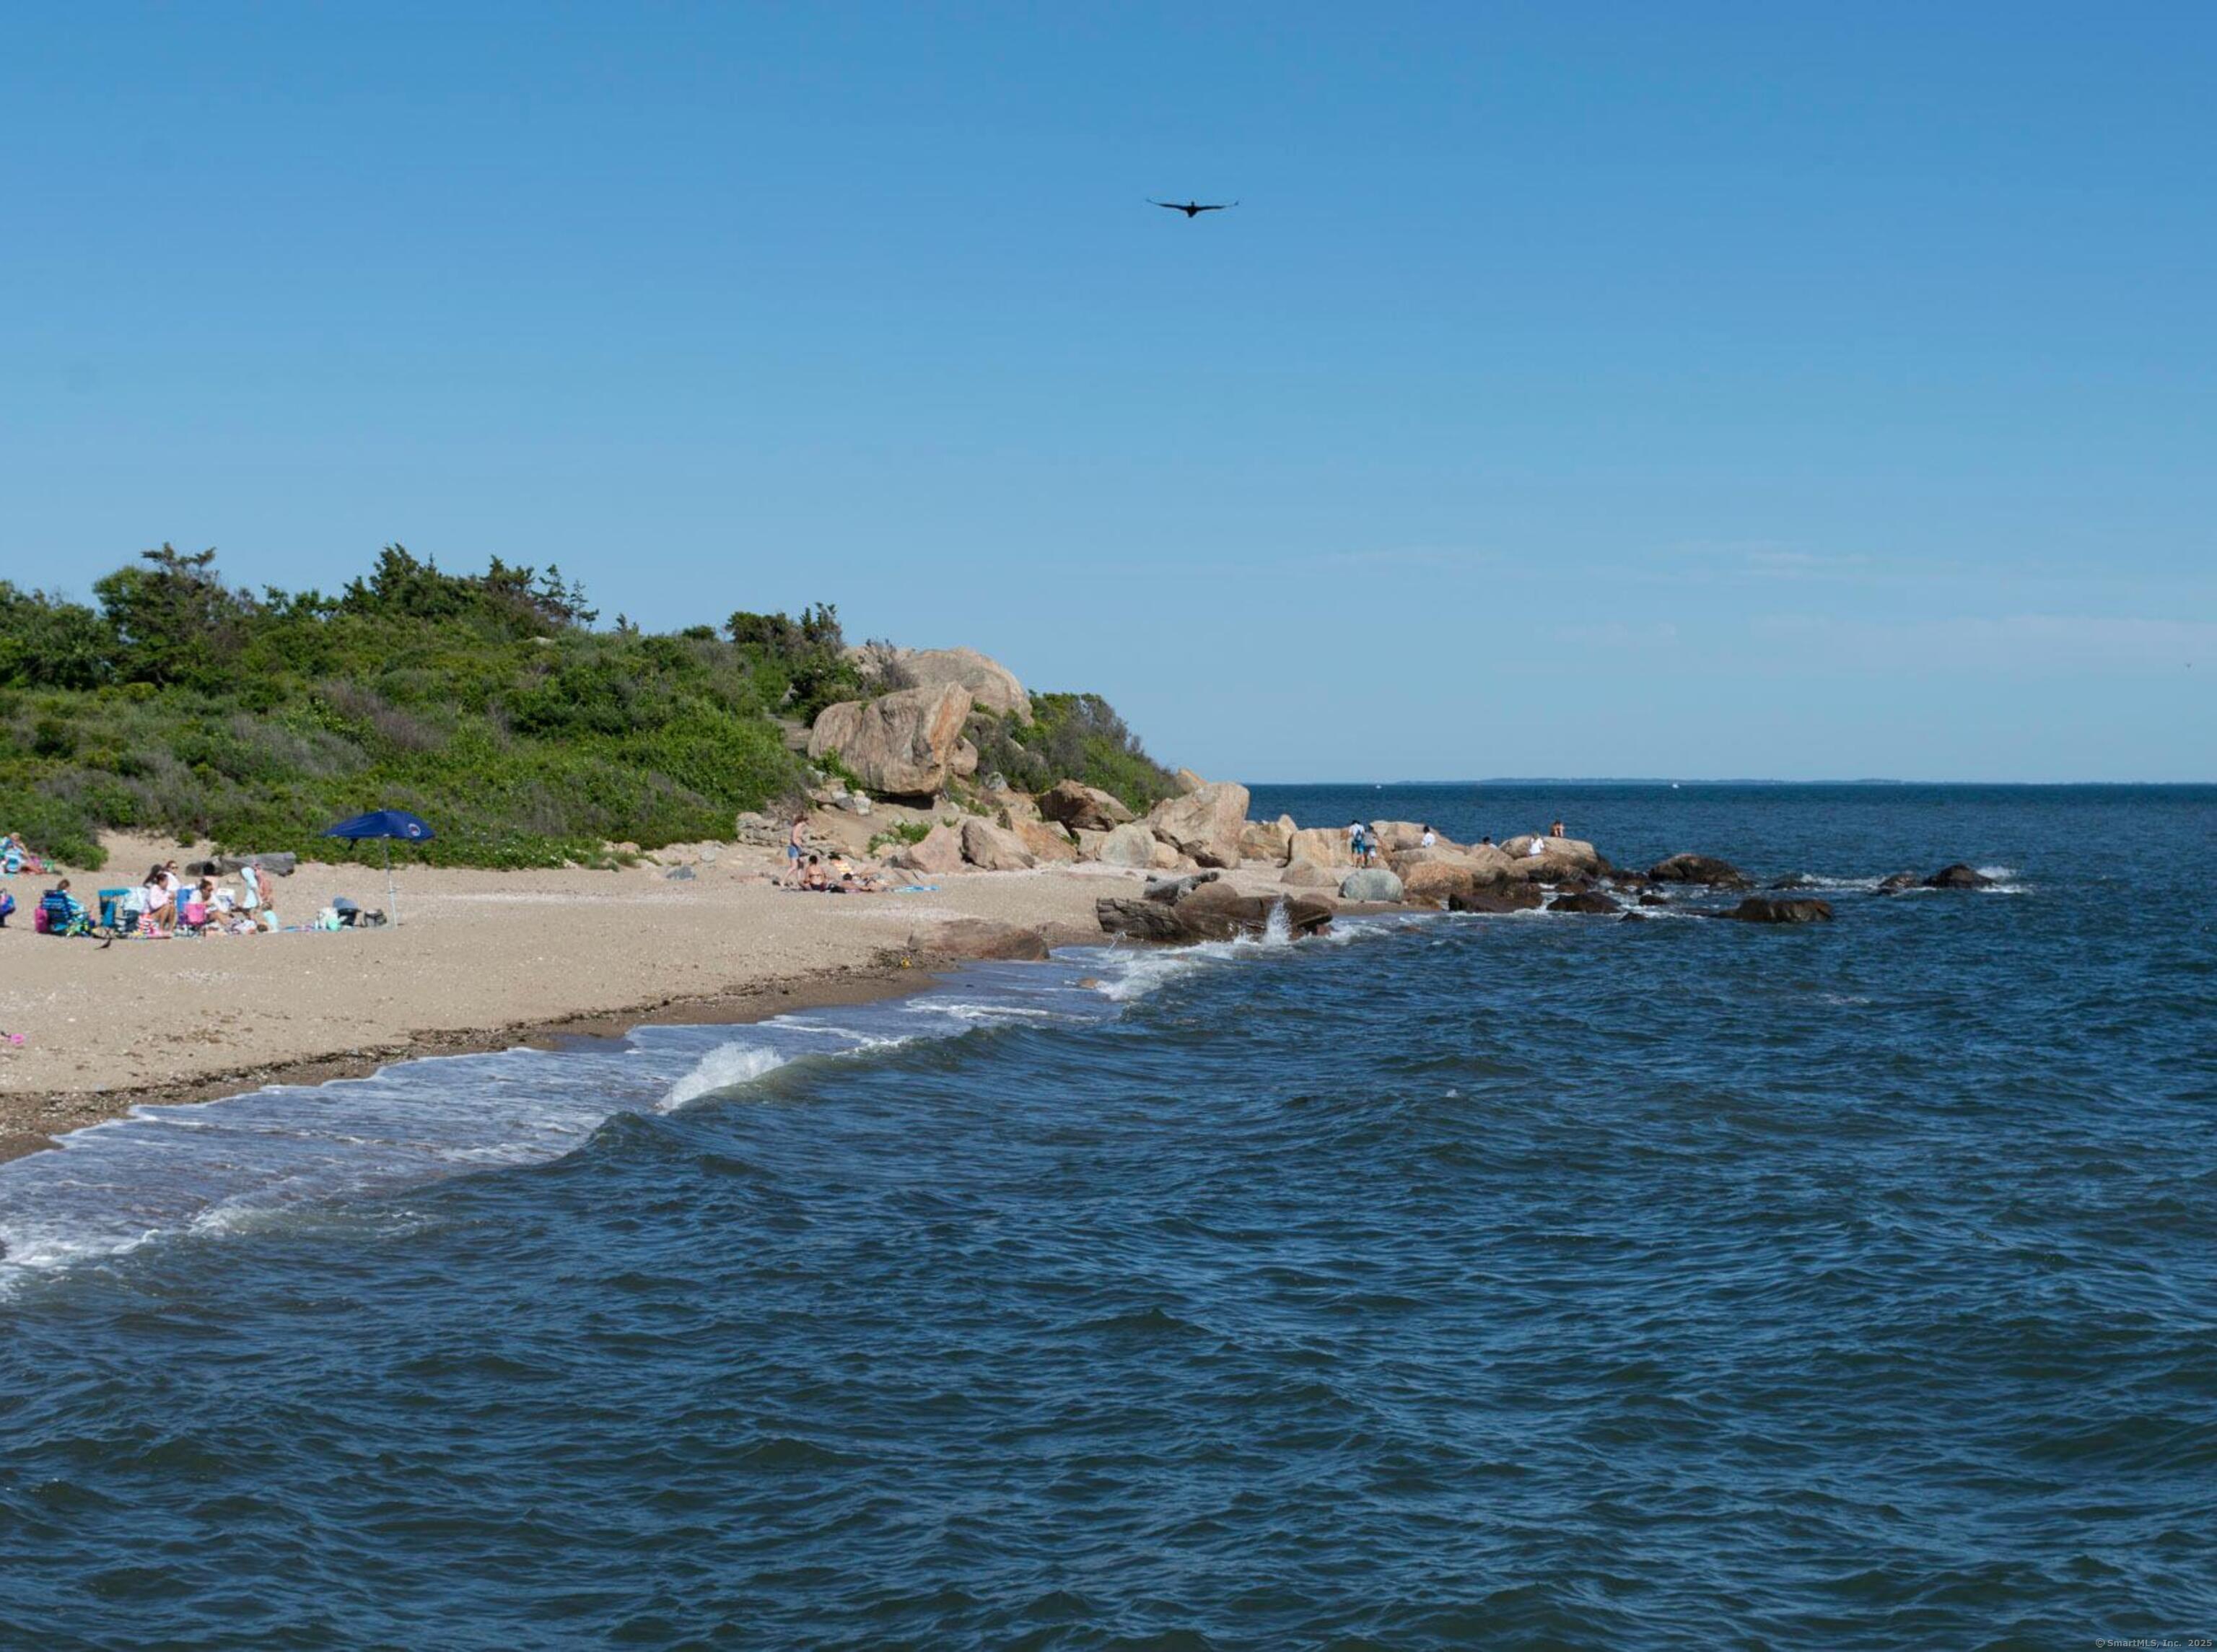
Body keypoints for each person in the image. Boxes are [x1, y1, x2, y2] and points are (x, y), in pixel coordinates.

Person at [787, 816, 809, 884]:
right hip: (795, 848)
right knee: (794, 867)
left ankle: (799, 881)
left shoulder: (799, 827)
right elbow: (793, 839)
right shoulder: (798, 826)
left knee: (801, 864)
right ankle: (783, 880)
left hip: (797, 848)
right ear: (803, 821)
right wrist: (800, 847)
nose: (807, 823)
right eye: (806, 821)